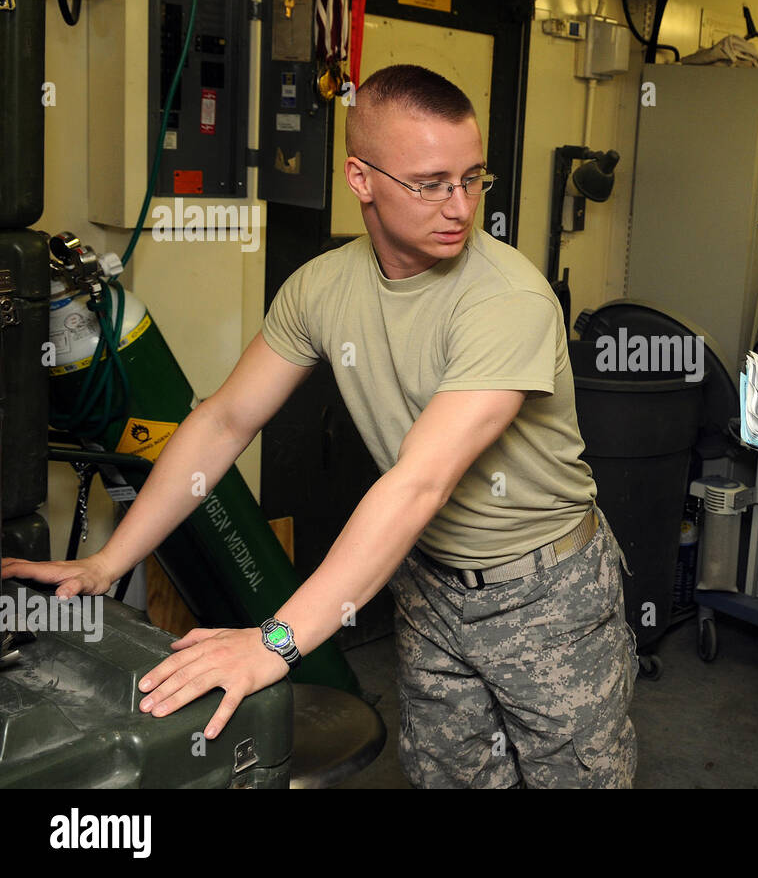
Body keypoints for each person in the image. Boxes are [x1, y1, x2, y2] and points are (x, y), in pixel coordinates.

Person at [2, 64, 637, 789]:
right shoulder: (323, 287)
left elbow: (419, 481)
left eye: (473, 178)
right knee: (449, 778)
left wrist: (275, 641)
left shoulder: (508, 299)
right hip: (428, 581)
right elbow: (222, 421)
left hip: (546, 591)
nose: (460, 205)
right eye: (429, 182)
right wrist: (107, 564)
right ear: (361, 178)